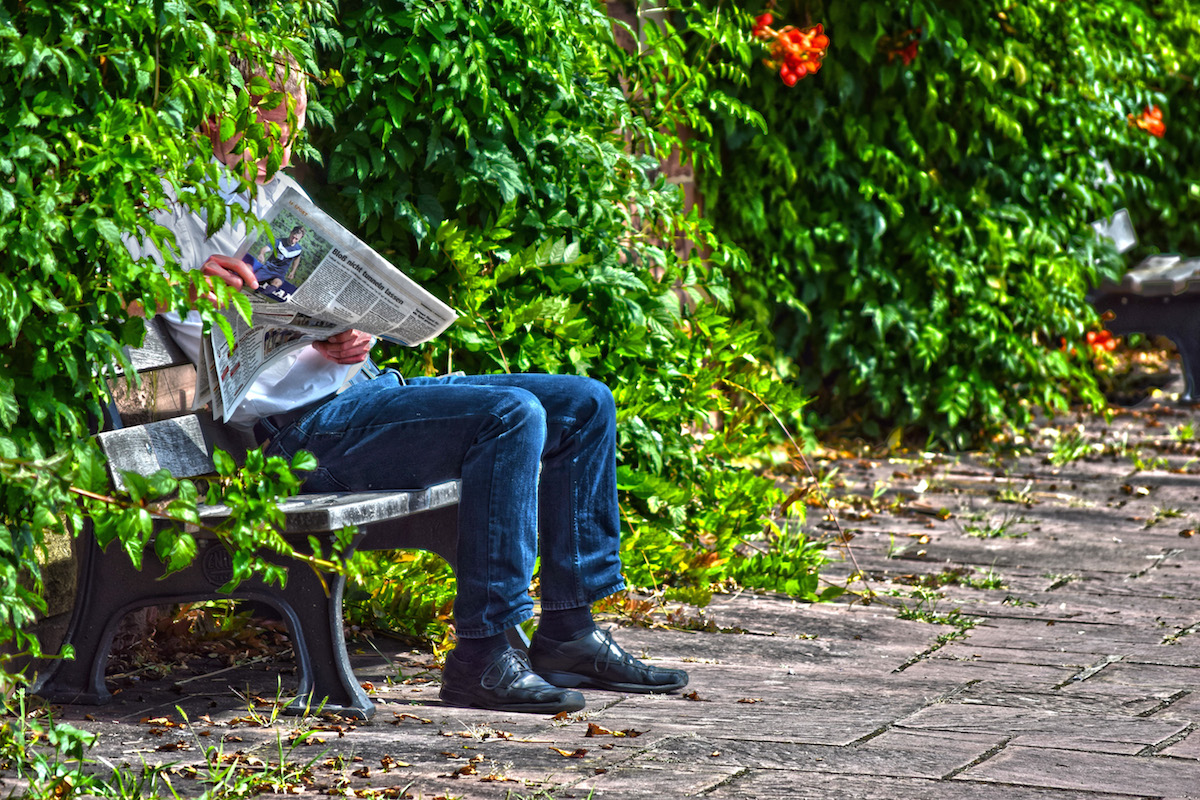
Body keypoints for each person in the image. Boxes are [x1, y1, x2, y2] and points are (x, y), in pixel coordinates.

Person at [126, 52, 688, 714]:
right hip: (297, 434)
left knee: (583, 405)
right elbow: (161, 317)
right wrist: (196, 288)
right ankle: (483, 654)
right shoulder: (167, 204)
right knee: (512, 416)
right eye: (270, 130)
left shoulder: (281, 197)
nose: (281, 149)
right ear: (221, 116)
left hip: (359, 393)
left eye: (292, 133)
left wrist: (348, 334)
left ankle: (569, 630)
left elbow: (316, 312)